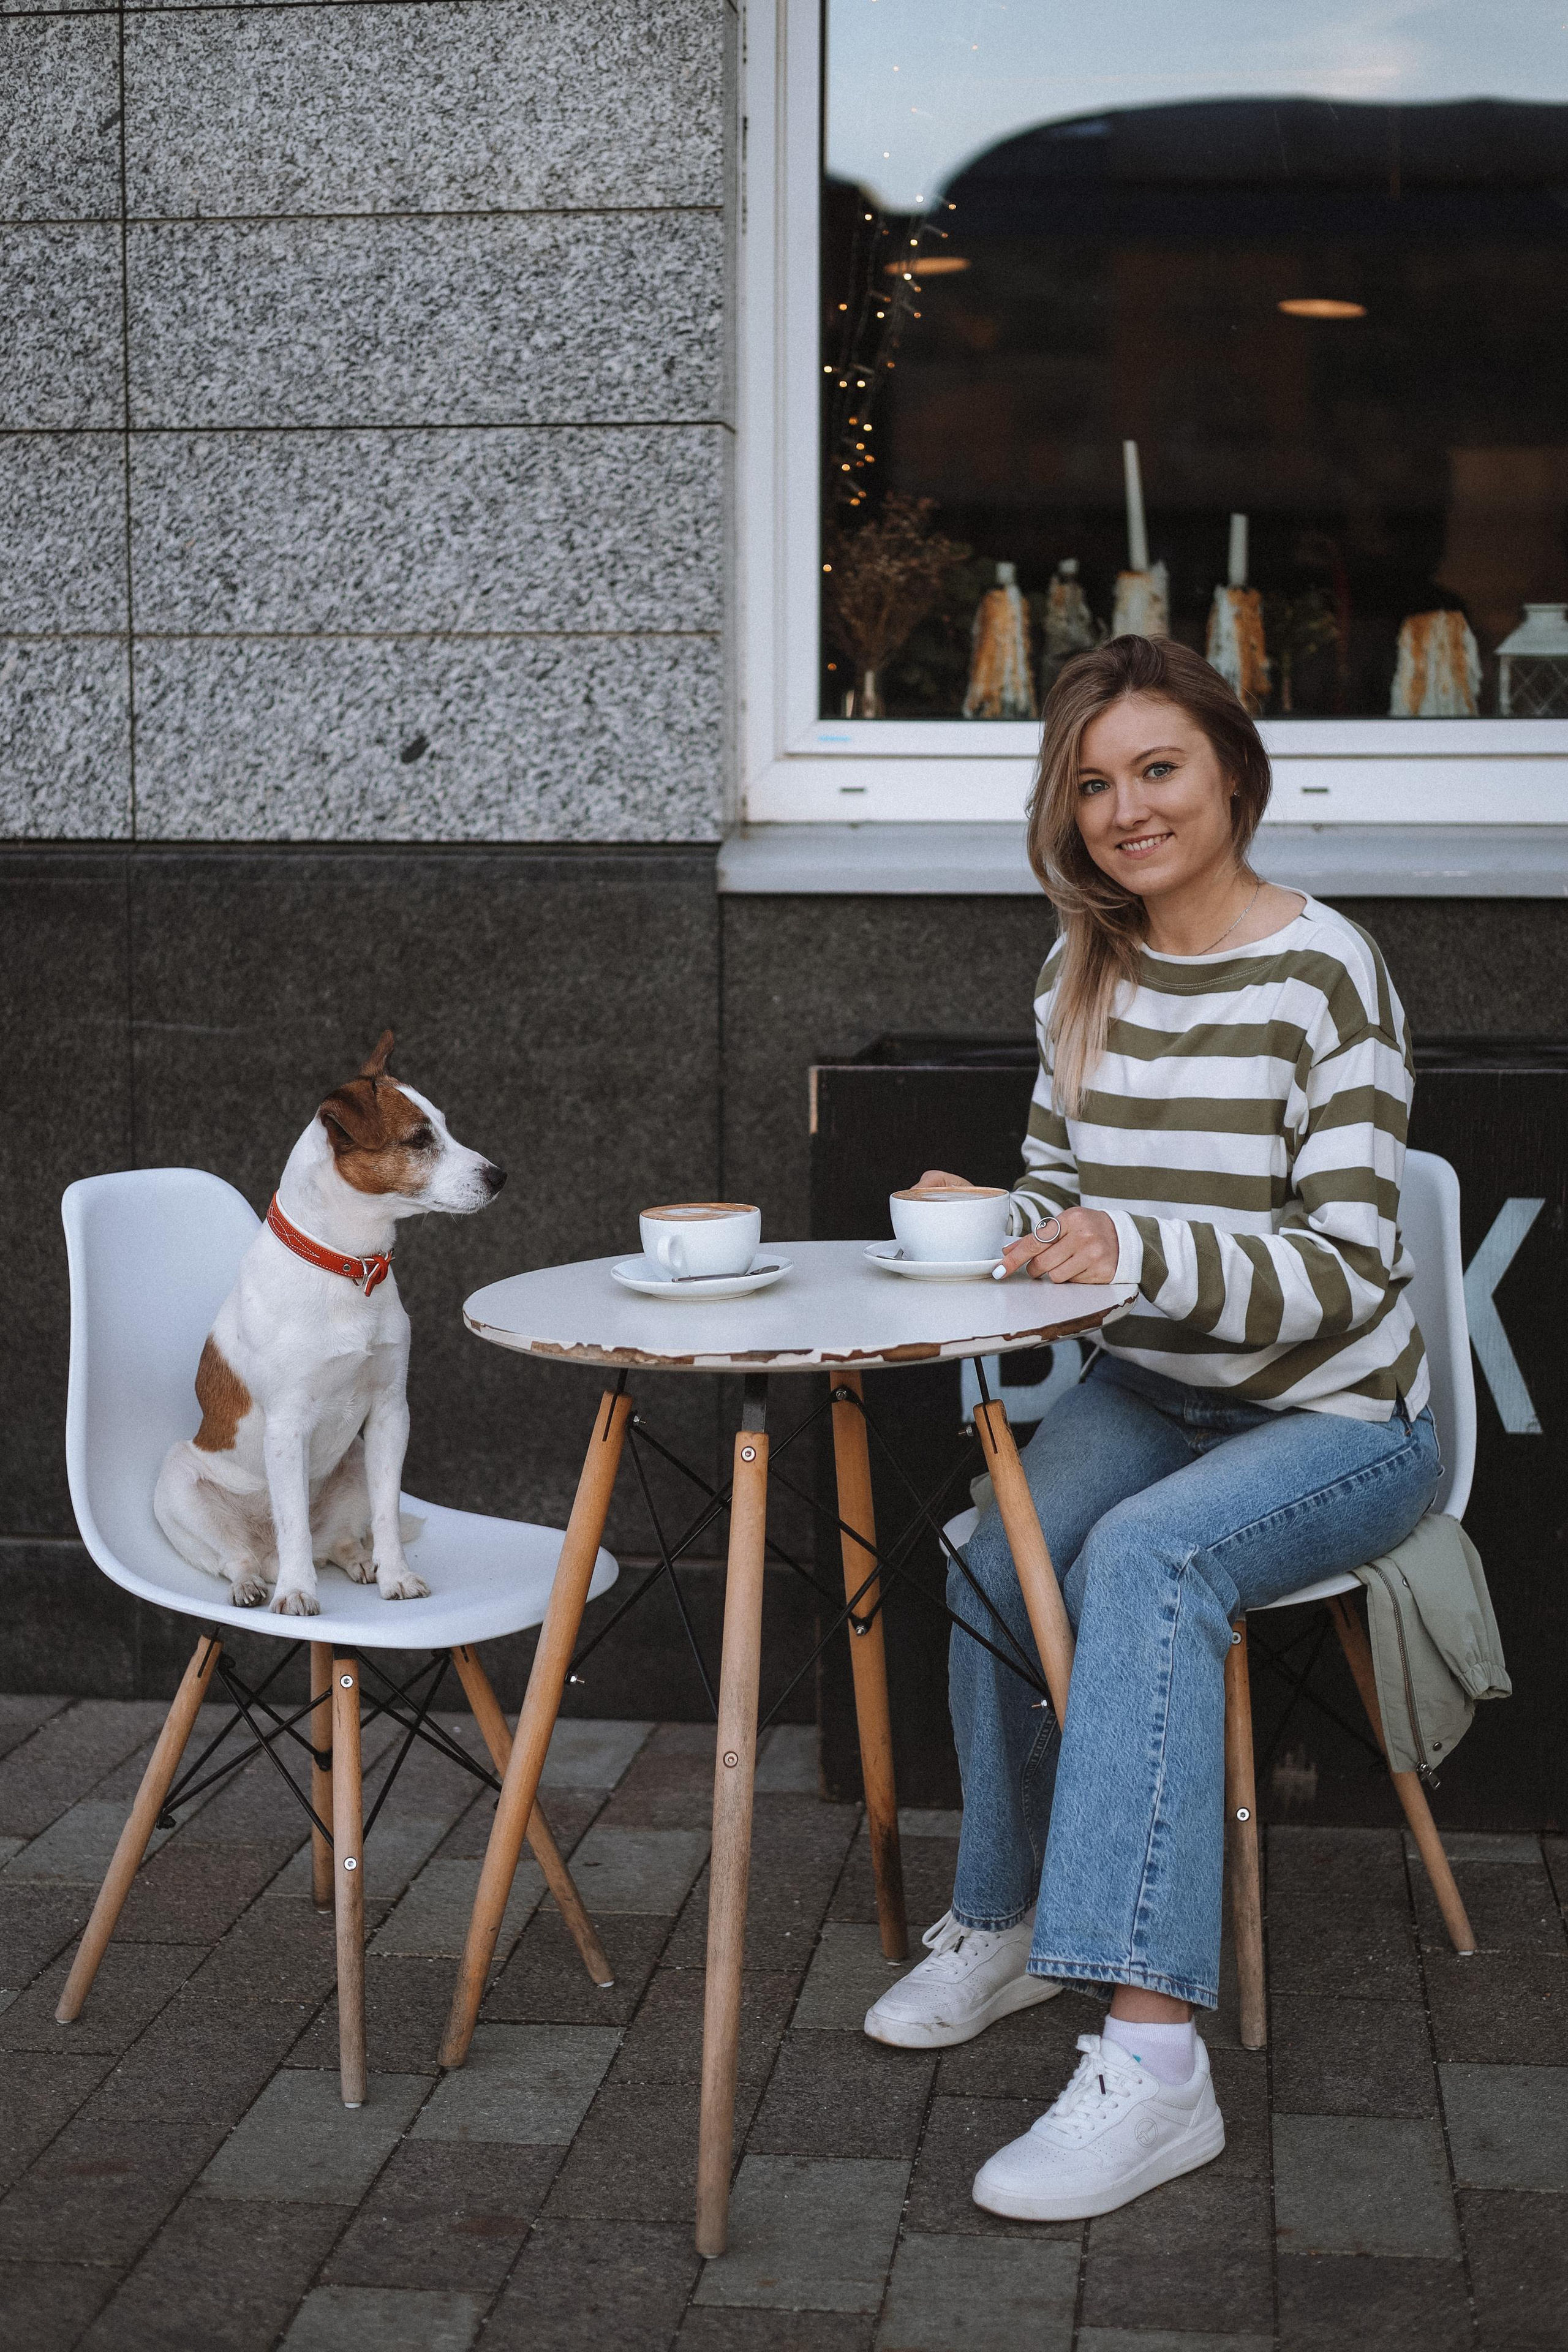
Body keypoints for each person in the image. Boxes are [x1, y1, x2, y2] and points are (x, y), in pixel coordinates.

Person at [864, 633, 1439, 2222]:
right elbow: (1068, 1196)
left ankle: (1154, 2062)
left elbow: (1348, 1267)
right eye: (1094, 783)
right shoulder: (1082, 972)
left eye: (1160, 768)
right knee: (994, 1555)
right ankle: (1004, 1925)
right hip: (1155, 1390)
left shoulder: (1328, 972)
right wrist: (998, 1215)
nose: (1128, 810)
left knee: (1148, 1559)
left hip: (1343, 1413)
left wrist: (1138, 1246)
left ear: (1233, 773)